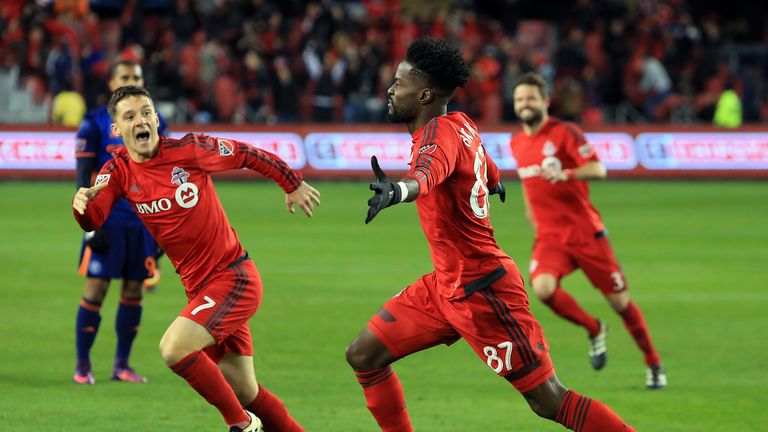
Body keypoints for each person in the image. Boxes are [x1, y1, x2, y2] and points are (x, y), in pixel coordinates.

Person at [346, 36, 636, 431]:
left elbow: (426, 174)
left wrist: (399, 191)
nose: (390, 90)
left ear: (426, 93)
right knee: (364, 355)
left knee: (549, 400)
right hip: (443, 286)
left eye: (400, 83)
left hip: (483, 290)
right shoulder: (461, 123)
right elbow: (483, 163)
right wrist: (492, 182)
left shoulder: (436, 136)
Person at [72, 85, 319, 432]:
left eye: (146, 112)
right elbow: (94, 217)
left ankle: (241, 424)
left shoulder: (189, 149)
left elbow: (246, 153)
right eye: (129, 116)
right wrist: (80, 208)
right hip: (200, 290)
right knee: (246, 389)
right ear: (116, 130)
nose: (141, 120)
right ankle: (253, 416)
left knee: (174, 348)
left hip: (233, 278)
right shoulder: (118, 172)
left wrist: (291, 183)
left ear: (156, 119)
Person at [509, 72, 666, 389]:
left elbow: (598, 169)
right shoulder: (517, 142)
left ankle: (654, 363)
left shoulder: (565, 132)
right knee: (542, 289)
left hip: (585, 234)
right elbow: (529, 184)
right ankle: (594, 328)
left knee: (621, 303)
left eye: (530, 98)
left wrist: (566, 174)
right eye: (519, 99)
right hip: (551, 237)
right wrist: (532, 215)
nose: (525, 104)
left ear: (545, 101)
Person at [73, 60, 169, 385]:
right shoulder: (94, 122)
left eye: (137, 77)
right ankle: (83, 365)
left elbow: (163, 177)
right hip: (107, 219)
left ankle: (122, 365)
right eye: (125, 77)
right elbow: (82, 180)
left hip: (143, 219)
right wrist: (90, 226)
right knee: (96, 289)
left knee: (133, 290)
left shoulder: (156, 122)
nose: (131, 81)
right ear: (111, 82)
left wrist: (163, 228)